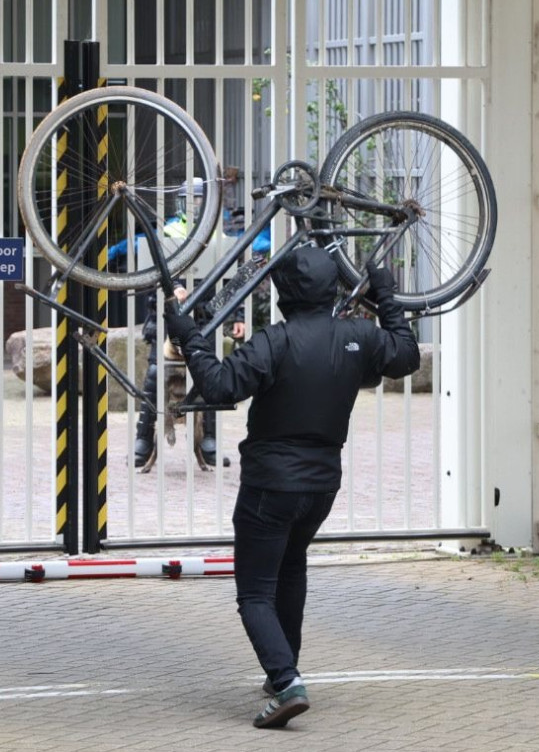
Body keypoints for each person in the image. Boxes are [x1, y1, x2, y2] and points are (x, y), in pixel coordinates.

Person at [162, 244, 420, 728]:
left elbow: (218, 387)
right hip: (322, 487)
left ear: (283, 293)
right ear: (331, 289)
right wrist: (385, 292)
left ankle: (285, 682)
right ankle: (285, 668)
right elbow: (405, 356)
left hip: (270, 486)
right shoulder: (358, 336)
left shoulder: (274, 342)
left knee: (255, 592)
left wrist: (188, 336)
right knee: (291, 566)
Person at [132, 177, 244, 470]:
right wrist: (174, 291)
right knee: (156, 373)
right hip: (168, 317)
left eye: (198, 199)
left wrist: (239, 316)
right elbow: (152, 275)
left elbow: (231, 284)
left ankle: (209, 441)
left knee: (210, 376)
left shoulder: (219, 237)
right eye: (189, 199)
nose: (194, 204)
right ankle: (143, 440)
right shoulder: (168, 233)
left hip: (206, 319)